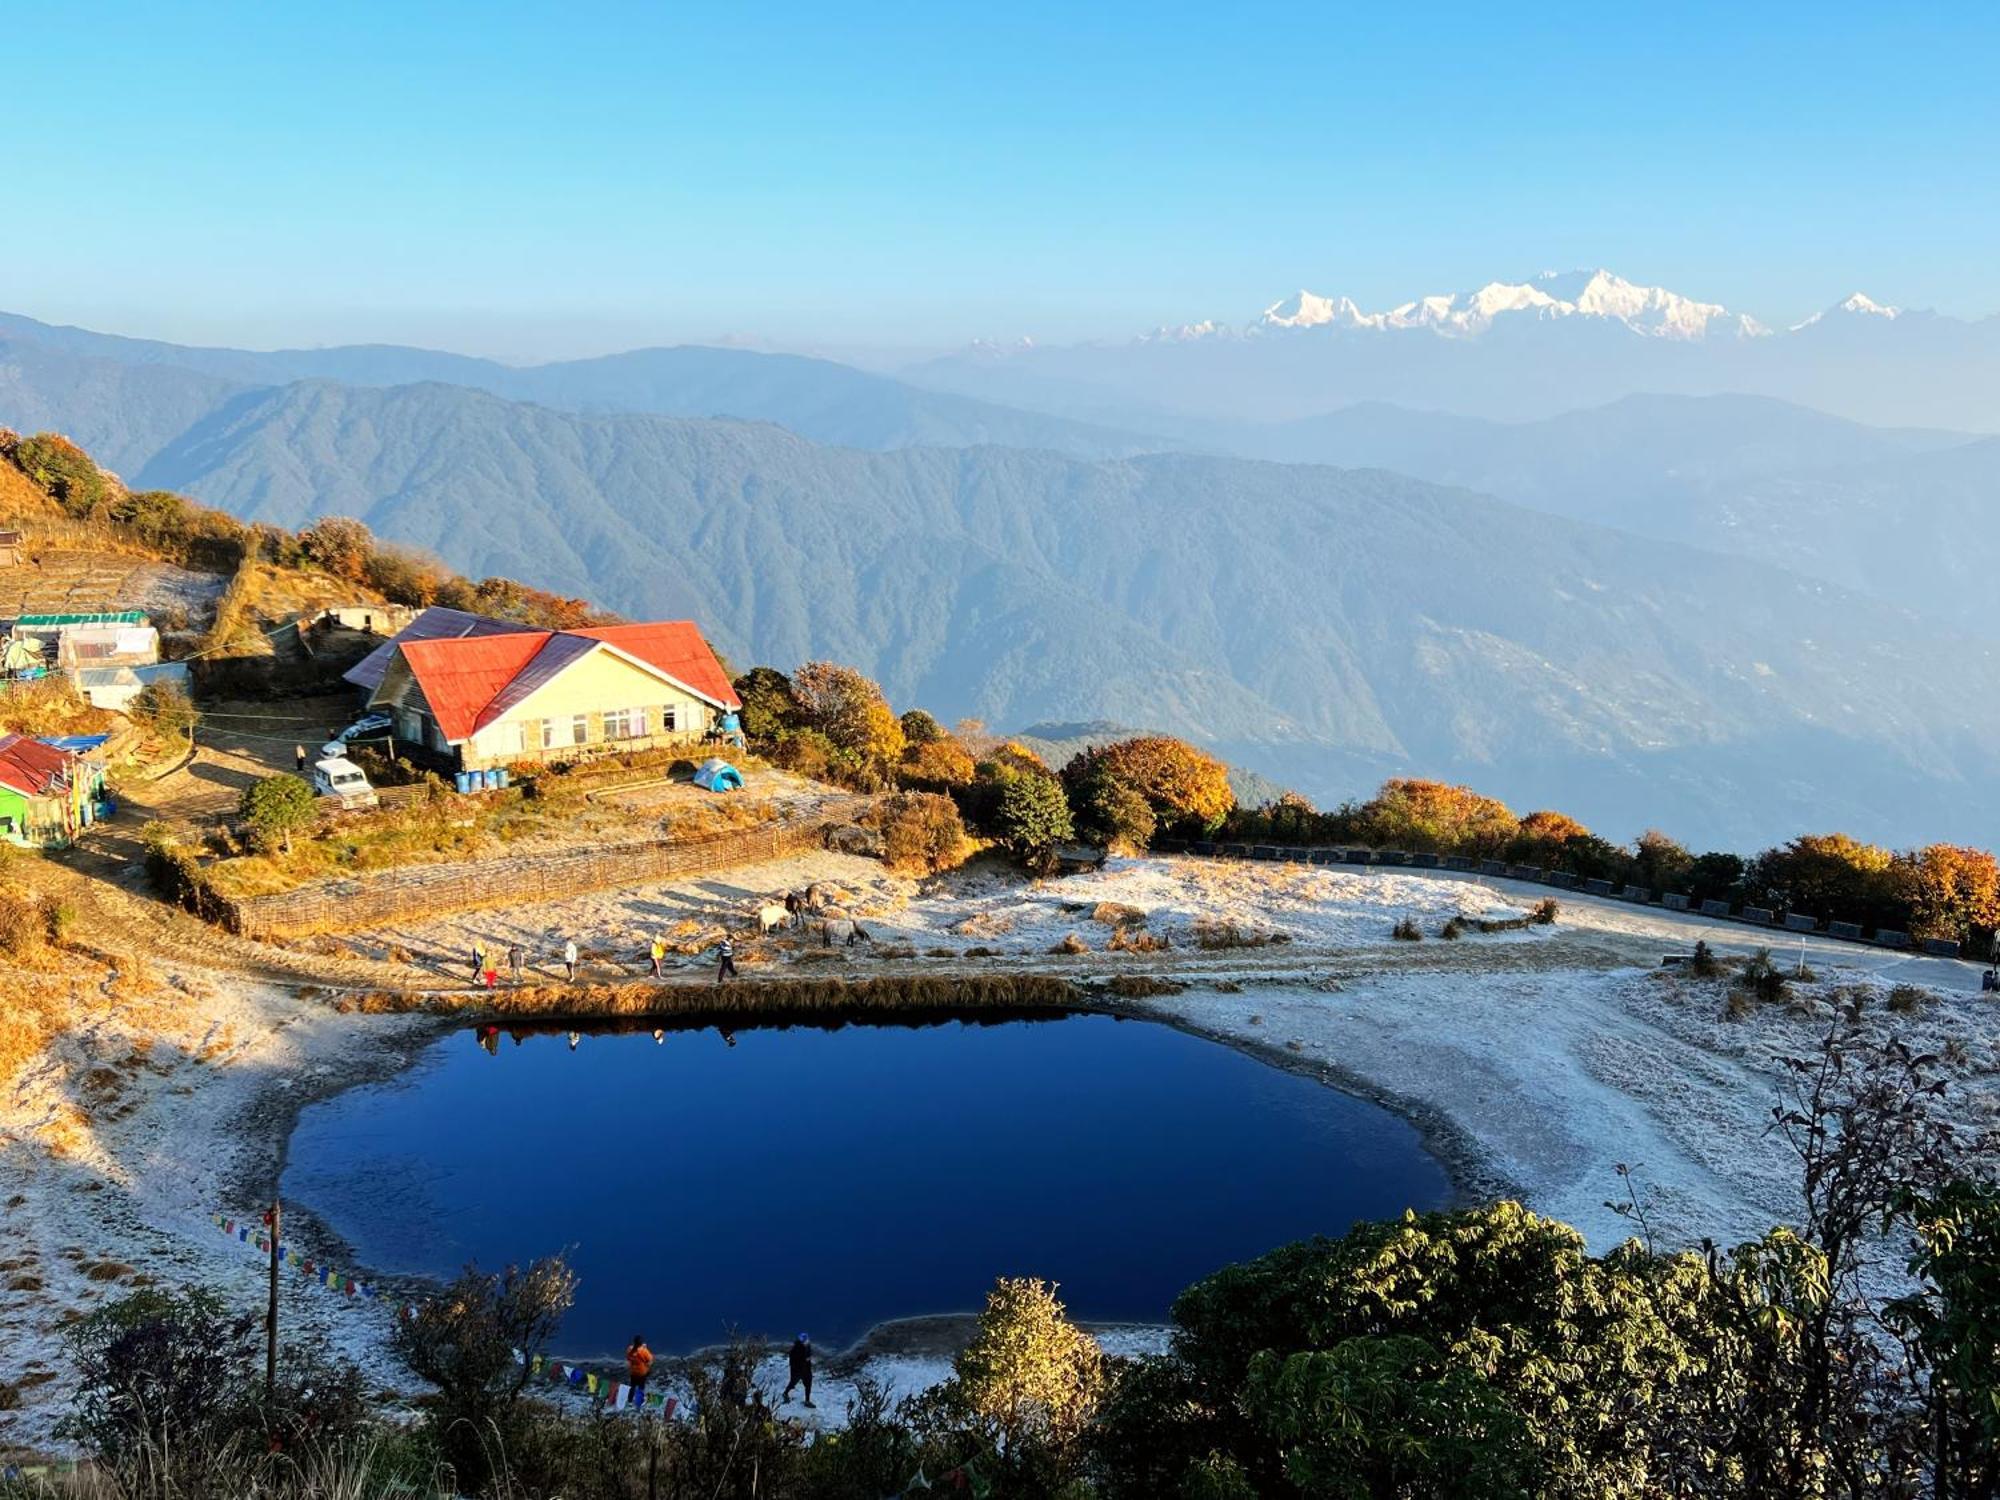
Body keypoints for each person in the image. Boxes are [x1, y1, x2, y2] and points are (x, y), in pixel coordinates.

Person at [783, 1333, 814, 1407]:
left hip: (806, 1369)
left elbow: (808, 1357)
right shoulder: (795, 1349)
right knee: (793, 1383)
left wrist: (808, 1364)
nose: (807, 1341)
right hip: (798, 1370)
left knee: (808, 1384)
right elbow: (793, 1362)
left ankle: (807, 1401)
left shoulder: (808, 1346)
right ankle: (785, 1393)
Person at [626, 1334, 653, 1410]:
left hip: (633, 1372)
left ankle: (630, 1402)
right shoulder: (644, 1351)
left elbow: (628, 1357)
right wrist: (645, 1348)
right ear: (641, 1343)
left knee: (632, 1387)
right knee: (641, 1387)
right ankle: (638, 1403)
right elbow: (650, 1361)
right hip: (641, 1373)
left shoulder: (629, 1349)